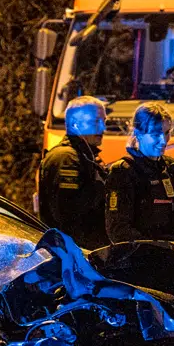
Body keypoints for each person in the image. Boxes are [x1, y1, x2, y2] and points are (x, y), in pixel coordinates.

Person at [104, 102, 174, 242]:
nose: (163, 140)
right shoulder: (123, 171)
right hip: (143, 259)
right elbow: (118, 230)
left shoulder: (172, 168)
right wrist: (155, 251)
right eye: (155, 134)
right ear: (138, 133)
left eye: (166, 133)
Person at [38, 96, 109, 249]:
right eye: (96, 122)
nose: (103, 129)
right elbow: (69, 214)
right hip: (74, 254)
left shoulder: (84, 156)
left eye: (104, 122)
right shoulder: (66, 158)